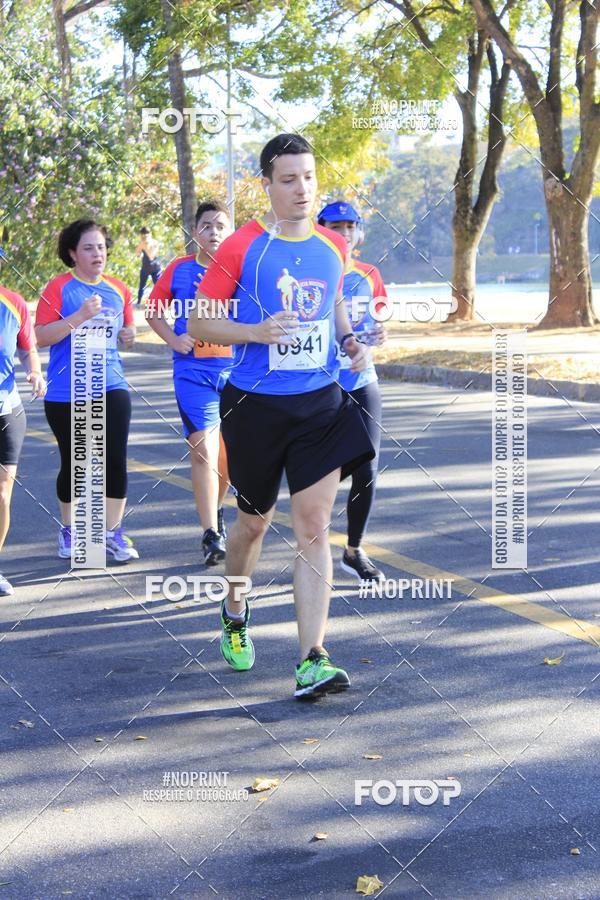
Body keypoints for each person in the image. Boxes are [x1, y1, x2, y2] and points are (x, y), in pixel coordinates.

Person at [188, 133, 375, 700]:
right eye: (289, 179)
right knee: (253, 524)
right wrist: (252, 331)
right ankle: (234, 608)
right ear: (266, 184)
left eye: (309, 177)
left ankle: (312, 658)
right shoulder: (242, 247)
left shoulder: (331, 246)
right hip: (254, 406)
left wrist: (350, 341)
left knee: (313, 526)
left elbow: (333, 304)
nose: (302, 189)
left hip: (320, 403)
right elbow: (199, 323)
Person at [35, 219, 139, 562]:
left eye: (101, 247)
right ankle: (69, 529)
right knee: (77, 463)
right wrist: (79, 316)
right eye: (89, 248)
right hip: (68, 390)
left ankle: (112, 533)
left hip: (111, 384)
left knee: (115, 460)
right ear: (72, 254)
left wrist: (128, 335)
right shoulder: (59, 288)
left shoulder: (119, 289)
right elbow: (39, 336)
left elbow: (125, 331)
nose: (98, 254)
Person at [146, 201, 232, 565]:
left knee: (228, 460)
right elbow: (153, 311)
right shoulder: (178, 269)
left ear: (230, 232)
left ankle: (217, 511)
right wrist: (173, 339)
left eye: (221, 226)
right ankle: (210, 534)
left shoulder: (240, 269)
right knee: (203, 452)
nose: (214, 232)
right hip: (192, 372)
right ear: (195, 232)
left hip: (235, 373)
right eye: (207, 226)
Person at [317, 201, 387, 583]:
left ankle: (353, 550)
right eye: (335, 226)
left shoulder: (370, 274)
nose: (344, 233)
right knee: (323, 469)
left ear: (359, 232)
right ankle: (312, 539)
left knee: (367, 466)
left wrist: (378, 336)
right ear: (321, 228)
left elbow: (378, 323)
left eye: (350, 226)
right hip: (320, 384)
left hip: (362, 380)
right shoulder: (312, 270)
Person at [0, 247, 46, 594]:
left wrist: (35, 372)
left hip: (7, 410)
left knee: (2, 494)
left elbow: (28, 347)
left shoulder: (13, 302)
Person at [136, 227, 162, 305]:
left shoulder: (155, 243)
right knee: (142, 285)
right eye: (143, 235)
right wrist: (141, 246)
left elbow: (151, 256)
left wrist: (145, 245)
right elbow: (137, 254)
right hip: (145, 267)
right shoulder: (141, 243)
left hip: (155, 267)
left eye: (146, 235)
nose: (144, 237)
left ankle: (160, 302)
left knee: (158, 286)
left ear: (149, 234)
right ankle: (139, 302)